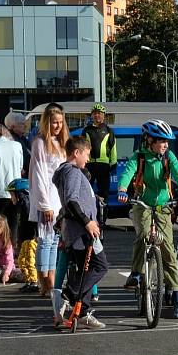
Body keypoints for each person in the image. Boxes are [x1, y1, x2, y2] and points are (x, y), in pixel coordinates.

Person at [118, 120, 178, 319]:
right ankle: (135, 273)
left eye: (167, 142)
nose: (165, 145)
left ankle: (177, 296)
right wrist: (123, 189)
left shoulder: (169, 157)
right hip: (142, 204)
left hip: (163, 206)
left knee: (168, 249)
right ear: (149, 140)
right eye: (161, 141)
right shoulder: (140, 156)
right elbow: (128, 172)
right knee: (143, 235)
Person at [52, 136, 108, 329]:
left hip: (78, 231)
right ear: (76, 153)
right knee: (100, 266)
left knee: (85, 269)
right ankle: (70, 292)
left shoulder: (71, 172)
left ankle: (82, 312)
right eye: (87, 154)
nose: (88, 159)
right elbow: (72, 201)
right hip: (81, 231)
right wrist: (87, 223)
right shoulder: (72, 172)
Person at [29, 104, 69, 298]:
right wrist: (44, 204)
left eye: (61, 122)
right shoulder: (40, 143)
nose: (58, 126)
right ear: (47, 122)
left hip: (59, 199)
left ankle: (52, 280)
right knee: (45, 240)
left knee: (54, 242)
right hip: (46, 198)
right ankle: (44, 281)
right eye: (54, 122)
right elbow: (38, 175)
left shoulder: (62, 143)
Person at [6, 178, 38, 293]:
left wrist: (35, 235)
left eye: (12, 195)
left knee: (30, 260)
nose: (11, 198)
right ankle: (29, 280)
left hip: (30, 238)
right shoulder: (20, 206)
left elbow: (33, 222)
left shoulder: (27, 205)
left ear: (20, 194)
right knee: (22, 260)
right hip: (25, 238)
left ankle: (34, 281)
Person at [83, 103, 117, 202]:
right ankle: (87, 215)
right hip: (90, 164)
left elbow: (113, 147)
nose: (97, 115)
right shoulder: (86, 130)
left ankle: (103, 216)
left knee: (104, 193)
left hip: (104, 165)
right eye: (95, 113)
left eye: (99, 113)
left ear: (103, 115)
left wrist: (113, 163)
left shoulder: (109, 130)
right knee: (86, 190)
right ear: (92, 115)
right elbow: (82, 147)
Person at [4, 111, 31, 175]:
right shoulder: (10, 140)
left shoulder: (22, 138)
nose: (25, 126)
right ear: (13, 126)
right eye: (22, 124)